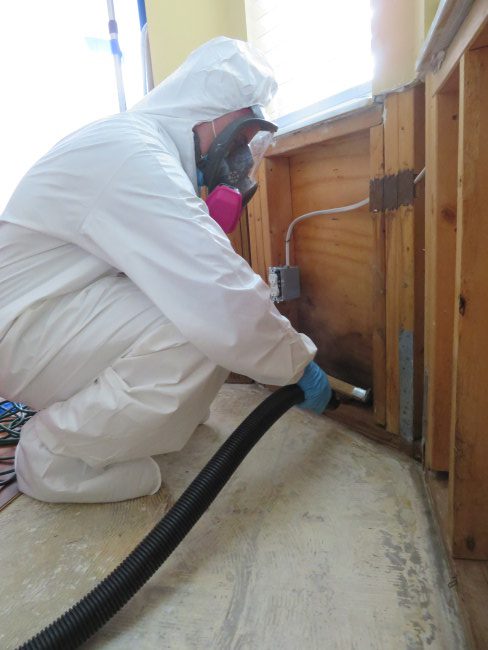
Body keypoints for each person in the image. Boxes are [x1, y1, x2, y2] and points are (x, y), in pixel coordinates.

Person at [0, 37, 331, 503]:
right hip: (22, 329)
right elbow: (217, 293)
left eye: (249, 144)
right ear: (203, 113)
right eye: (238, 138)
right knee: (198, 327)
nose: (241, 157)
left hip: (40, 318)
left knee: (198, 314)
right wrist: (294, 363)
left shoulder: (137, 146)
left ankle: (132, 424)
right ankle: (55, 455)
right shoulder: (134, 156)